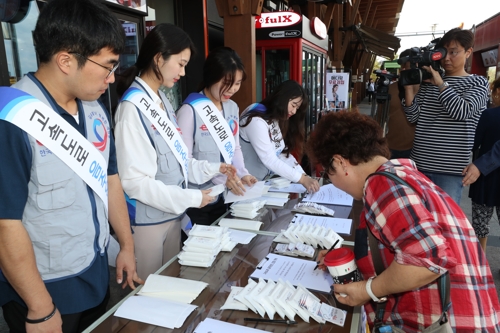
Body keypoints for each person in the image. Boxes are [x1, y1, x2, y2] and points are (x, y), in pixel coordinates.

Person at [0, 0, 142, 332]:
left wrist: (127, 245)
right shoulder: (14, 119)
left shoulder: (95, 109)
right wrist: (40, 308)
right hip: (44, 292)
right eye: (107, 66)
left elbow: (110, 180)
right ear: (66, 60)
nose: (111, 78)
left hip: (94, 275)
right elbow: (5, 225)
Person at [308, 111, 500, 332]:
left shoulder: (381, 185)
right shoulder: (402, 175)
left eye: (327, 173)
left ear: (340, 162)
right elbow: (401, 243)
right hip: (473, 316)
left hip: (451, 323)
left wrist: (366, 290)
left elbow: (430, 258)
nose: (331, 182)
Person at [114, 25, 235, 277]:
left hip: (171, 216)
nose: (183, 72)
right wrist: (192, 198)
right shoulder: (132, 108)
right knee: (148, 295)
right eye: (180, 64)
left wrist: (214, 168)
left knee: (168, 284)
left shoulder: (162, 101)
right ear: (159, 58)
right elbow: (135, 183)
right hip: (148, 223)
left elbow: (181, 161)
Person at [403, 28, 489, 204]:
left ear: (468, 52)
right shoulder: (429, 83)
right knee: (419, 222)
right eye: (443, 52)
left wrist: (441, 83)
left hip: (450, 170)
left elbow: (461, 111)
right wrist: (409, 89)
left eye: (453, 52)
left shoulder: (478, 82)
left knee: (445, 224)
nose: (447, 58)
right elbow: (413, 118)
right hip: (419, 164)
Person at [177, 47, 257, 226]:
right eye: (227, 82)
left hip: (225, 196)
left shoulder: (232, 108)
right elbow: (184, 163)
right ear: (211, 77)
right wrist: (225, 179)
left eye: (237, 83)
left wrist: (242, 174)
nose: (232, 89)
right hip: (199, 200)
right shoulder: (189, 111)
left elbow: (234, 147)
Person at [239, 80, 320, 193]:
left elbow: (280, 153)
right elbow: (270, 159)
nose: (294, 111)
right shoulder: (256, 120)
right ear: (283, 97)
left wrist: (303, 175)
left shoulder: (273, 117)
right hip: (245, 187)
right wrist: (301, 179)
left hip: (260, 185)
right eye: (293, 105)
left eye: (297, 108)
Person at [461, 76, 500, 251]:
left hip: (485, 178)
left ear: (497, 91)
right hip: (485, 171)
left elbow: (474, 143)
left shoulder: (488, 115)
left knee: (480, 226)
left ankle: (480, 264)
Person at [385, 50, 416, 159]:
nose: (403, 69)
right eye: (402, 65)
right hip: (390, 147)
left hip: (416, 150)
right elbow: (380, 116)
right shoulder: (391, 89)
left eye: (407, 65)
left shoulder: (427, 89)